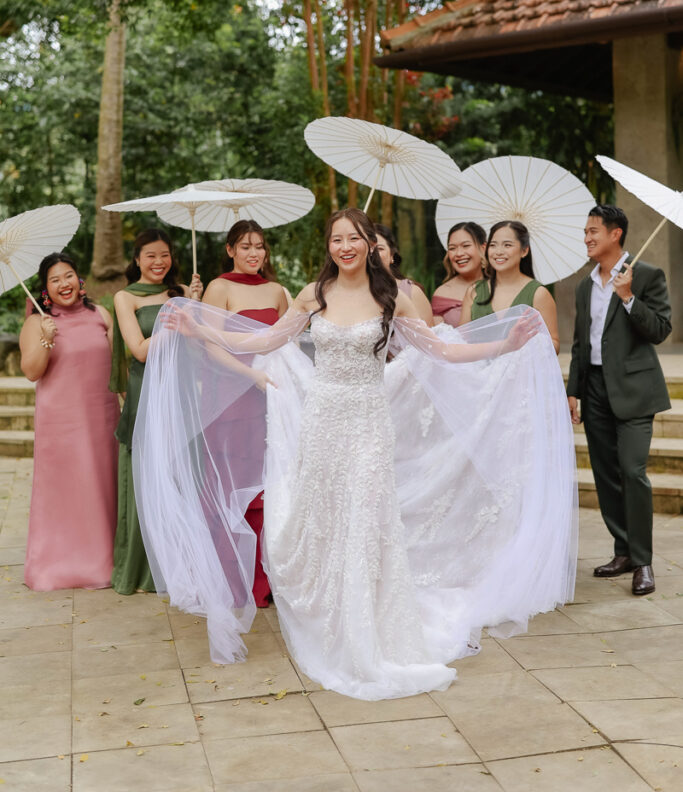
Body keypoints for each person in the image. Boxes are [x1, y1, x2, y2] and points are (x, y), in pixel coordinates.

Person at [134, 208, 577, 701]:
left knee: (366, 519)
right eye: (337, 239)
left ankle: (370, 630)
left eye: (354, 238)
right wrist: (202, 331)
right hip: (322, 421)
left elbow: (441, 351)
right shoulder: (313, 293)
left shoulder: (392, 297)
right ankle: (336, 619)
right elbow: (265, 339)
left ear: (369, 244)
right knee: (328, 519)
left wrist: (505, 346)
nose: (345, 246)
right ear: (329, 246)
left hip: (369, 422)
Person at [567, 205, 671, 596]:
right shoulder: (585, 286)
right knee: (606, 474)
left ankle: (643, 561)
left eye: (593, 231)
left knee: (632, 470)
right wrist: (573, 390)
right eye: (585, 232)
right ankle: (623, 551)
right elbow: (581, 342)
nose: (587, 238)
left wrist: (628, 297)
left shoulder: (646, 275)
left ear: (616, 234)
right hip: (593, 388)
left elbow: (660, 329)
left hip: (635, 390)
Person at [202, 220, 289, 606]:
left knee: (267, 487)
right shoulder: (218, 287)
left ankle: (263, 580)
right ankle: (232, 581)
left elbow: (286, 341)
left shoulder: (276, 291)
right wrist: (251, 375)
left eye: (259, 246)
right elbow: (211, 345)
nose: (254, 253)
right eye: (245, 246)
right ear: (230, 250)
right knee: (234, 486)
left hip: (271, 397)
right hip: (232, 398)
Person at [110, 228, 202, 595]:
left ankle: (181, 563)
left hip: (180, 392)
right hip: (146, 392)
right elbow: (139, 349)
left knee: (179, 475)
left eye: (164, 254)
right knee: (146, 477)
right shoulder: (125, 297)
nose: (159, 262)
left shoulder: (181, 293)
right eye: (150, 255)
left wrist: (195, 306)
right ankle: (142, 569)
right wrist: (178, 323)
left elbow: (199, 344)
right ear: (137, 260)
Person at [20, 253, 119, 590]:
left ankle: (106, 561)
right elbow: (32, 371)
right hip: (60, 426)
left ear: (80, 279)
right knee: (67, 492)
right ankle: (59, 564)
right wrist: (46, 339)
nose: (64, 284)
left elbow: (118, 369)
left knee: (102, 487)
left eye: (69, 275)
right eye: (55, 279)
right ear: (45, 288)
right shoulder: (37, 322)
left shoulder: (101, 315)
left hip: (103, 419)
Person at [460, 220, 560, 353]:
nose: (498, 252)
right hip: (478, 366)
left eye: (507, 245)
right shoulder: (474, 292)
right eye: (493, 245)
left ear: (524, 251)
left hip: (521, 366)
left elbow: (554, 344)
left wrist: (528, 345)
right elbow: (460, 341)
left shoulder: (538, 294)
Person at [374, 223, 433, 325]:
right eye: (368, 249)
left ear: (392, 255)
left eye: (380, 249)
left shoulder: (412, 292)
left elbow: (428, 333)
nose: (373, 254)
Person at [432, 222, 486, 327]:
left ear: (483, 248)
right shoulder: (442, 293)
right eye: (452, 248)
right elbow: (437, 335)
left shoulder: (499, 285)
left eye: (466, 246)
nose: (459, 254)